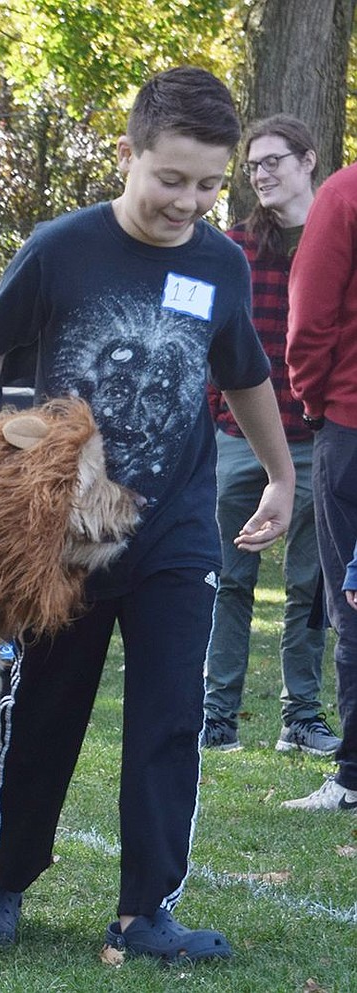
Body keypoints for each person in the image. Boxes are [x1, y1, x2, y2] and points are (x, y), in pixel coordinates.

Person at [0, 67, 294, 961]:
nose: (190, 200)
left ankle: (146, 913)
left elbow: (246, 376)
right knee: (46, 704)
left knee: (172, 712)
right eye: (171, 178)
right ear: (131, 154)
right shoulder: (64, 248)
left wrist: (281, 479)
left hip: (174, 527)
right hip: (66, 535)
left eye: (210, 182)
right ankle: (0, 883)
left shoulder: (217, 260)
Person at [203, 116, 339, 757]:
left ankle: (302, 717)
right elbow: (209, 344)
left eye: (273, 161)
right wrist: (218, 411)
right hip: (240, 440)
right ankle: (217, 716)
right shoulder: (232, 249)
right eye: (253, 165)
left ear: (309, 161)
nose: (261, 174)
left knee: (312, 588)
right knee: (229, 578)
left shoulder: (338, 238)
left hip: (317, 439)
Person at [285, 150, 357, 814]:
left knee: (354, 600)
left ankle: (355, 775)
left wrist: (313, 403)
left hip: (352, 423)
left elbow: (309, 321)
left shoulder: (344, 193)